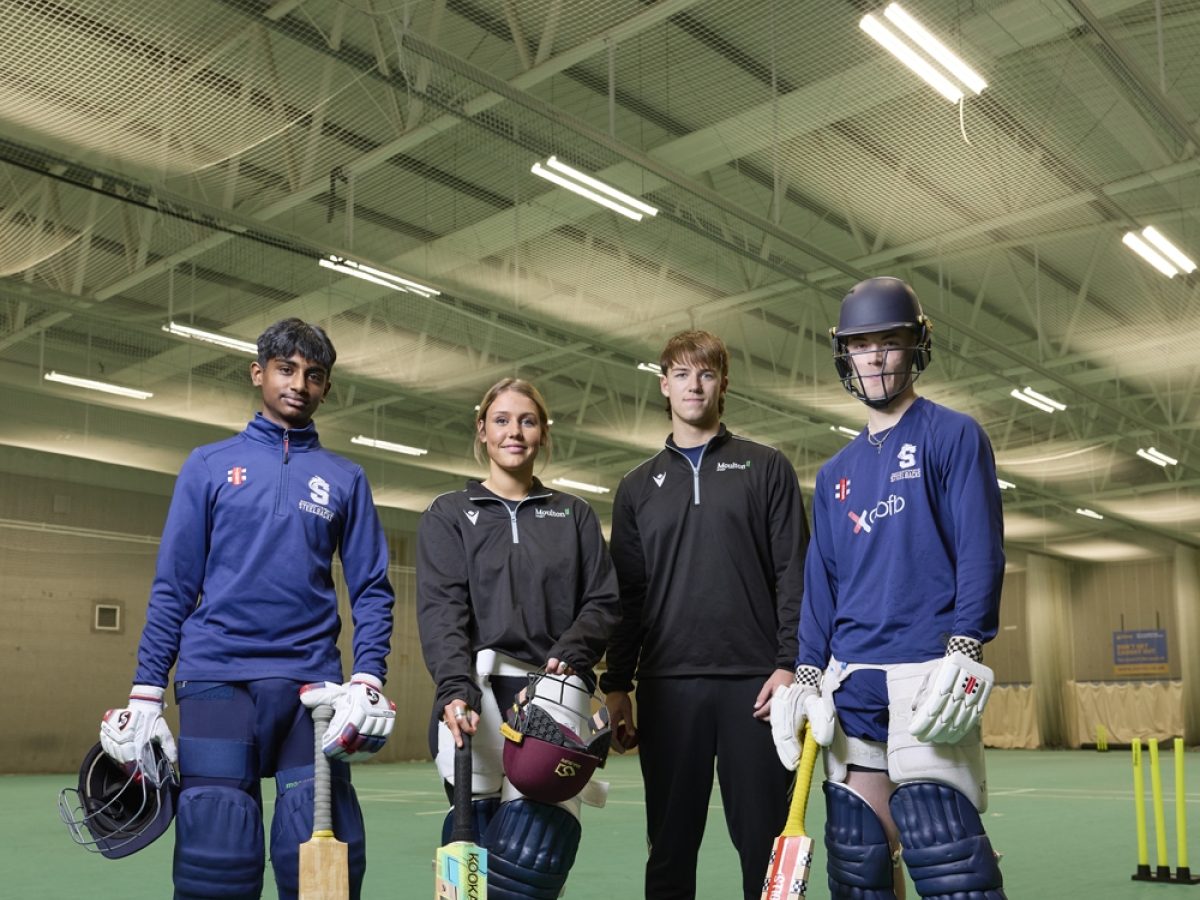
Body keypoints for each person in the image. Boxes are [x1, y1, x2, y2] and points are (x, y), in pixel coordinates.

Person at [96, 318, 396, 900]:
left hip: (312, 690)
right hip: (217, 679)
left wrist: (368, 675)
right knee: (218, 854)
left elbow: (372, 589)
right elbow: (174, 585)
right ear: (259, 373)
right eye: (286, 370)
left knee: (317, 856)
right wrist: (145, 691)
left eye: (314, 375)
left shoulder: (345, 479)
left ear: (326, 387)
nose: (299, 385)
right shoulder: (208, 466)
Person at [770, 276, 1007, 899]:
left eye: (890, 342)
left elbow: (981, 546)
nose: (874, 357)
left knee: (948, 857)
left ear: (916, 346)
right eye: (861, 345)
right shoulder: (836, 473)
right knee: (858, 866)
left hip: (927, 675)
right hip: (851, 682)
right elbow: (821, 580)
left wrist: (966, 642)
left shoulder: (954, 436)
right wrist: (807, 671)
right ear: (844, 355)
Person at [600, 330, 810, 900]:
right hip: (668, 689)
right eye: (682, 374)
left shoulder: (767, 468)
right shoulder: (637, 488)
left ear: (723, 384)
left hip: (758, 689)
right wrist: (616, 684)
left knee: (765, 847)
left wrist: (791, 665)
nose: (695, 385)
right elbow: (629, 595)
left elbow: (794, 576)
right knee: (669, 848)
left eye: (707, 373)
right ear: (664, 385)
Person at [417, 377, 621, 900]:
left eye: (527, 421)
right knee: (476, 838)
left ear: (542, 434)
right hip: (477, 694)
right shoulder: (448, 514)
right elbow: (443, 612)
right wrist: (453, 689)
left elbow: (602, 602)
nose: (514, 431)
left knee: (534, 857)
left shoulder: (573, 515)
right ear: (482, 431)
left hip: (553, 696)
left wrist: (569, 657)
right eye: (502, 420)